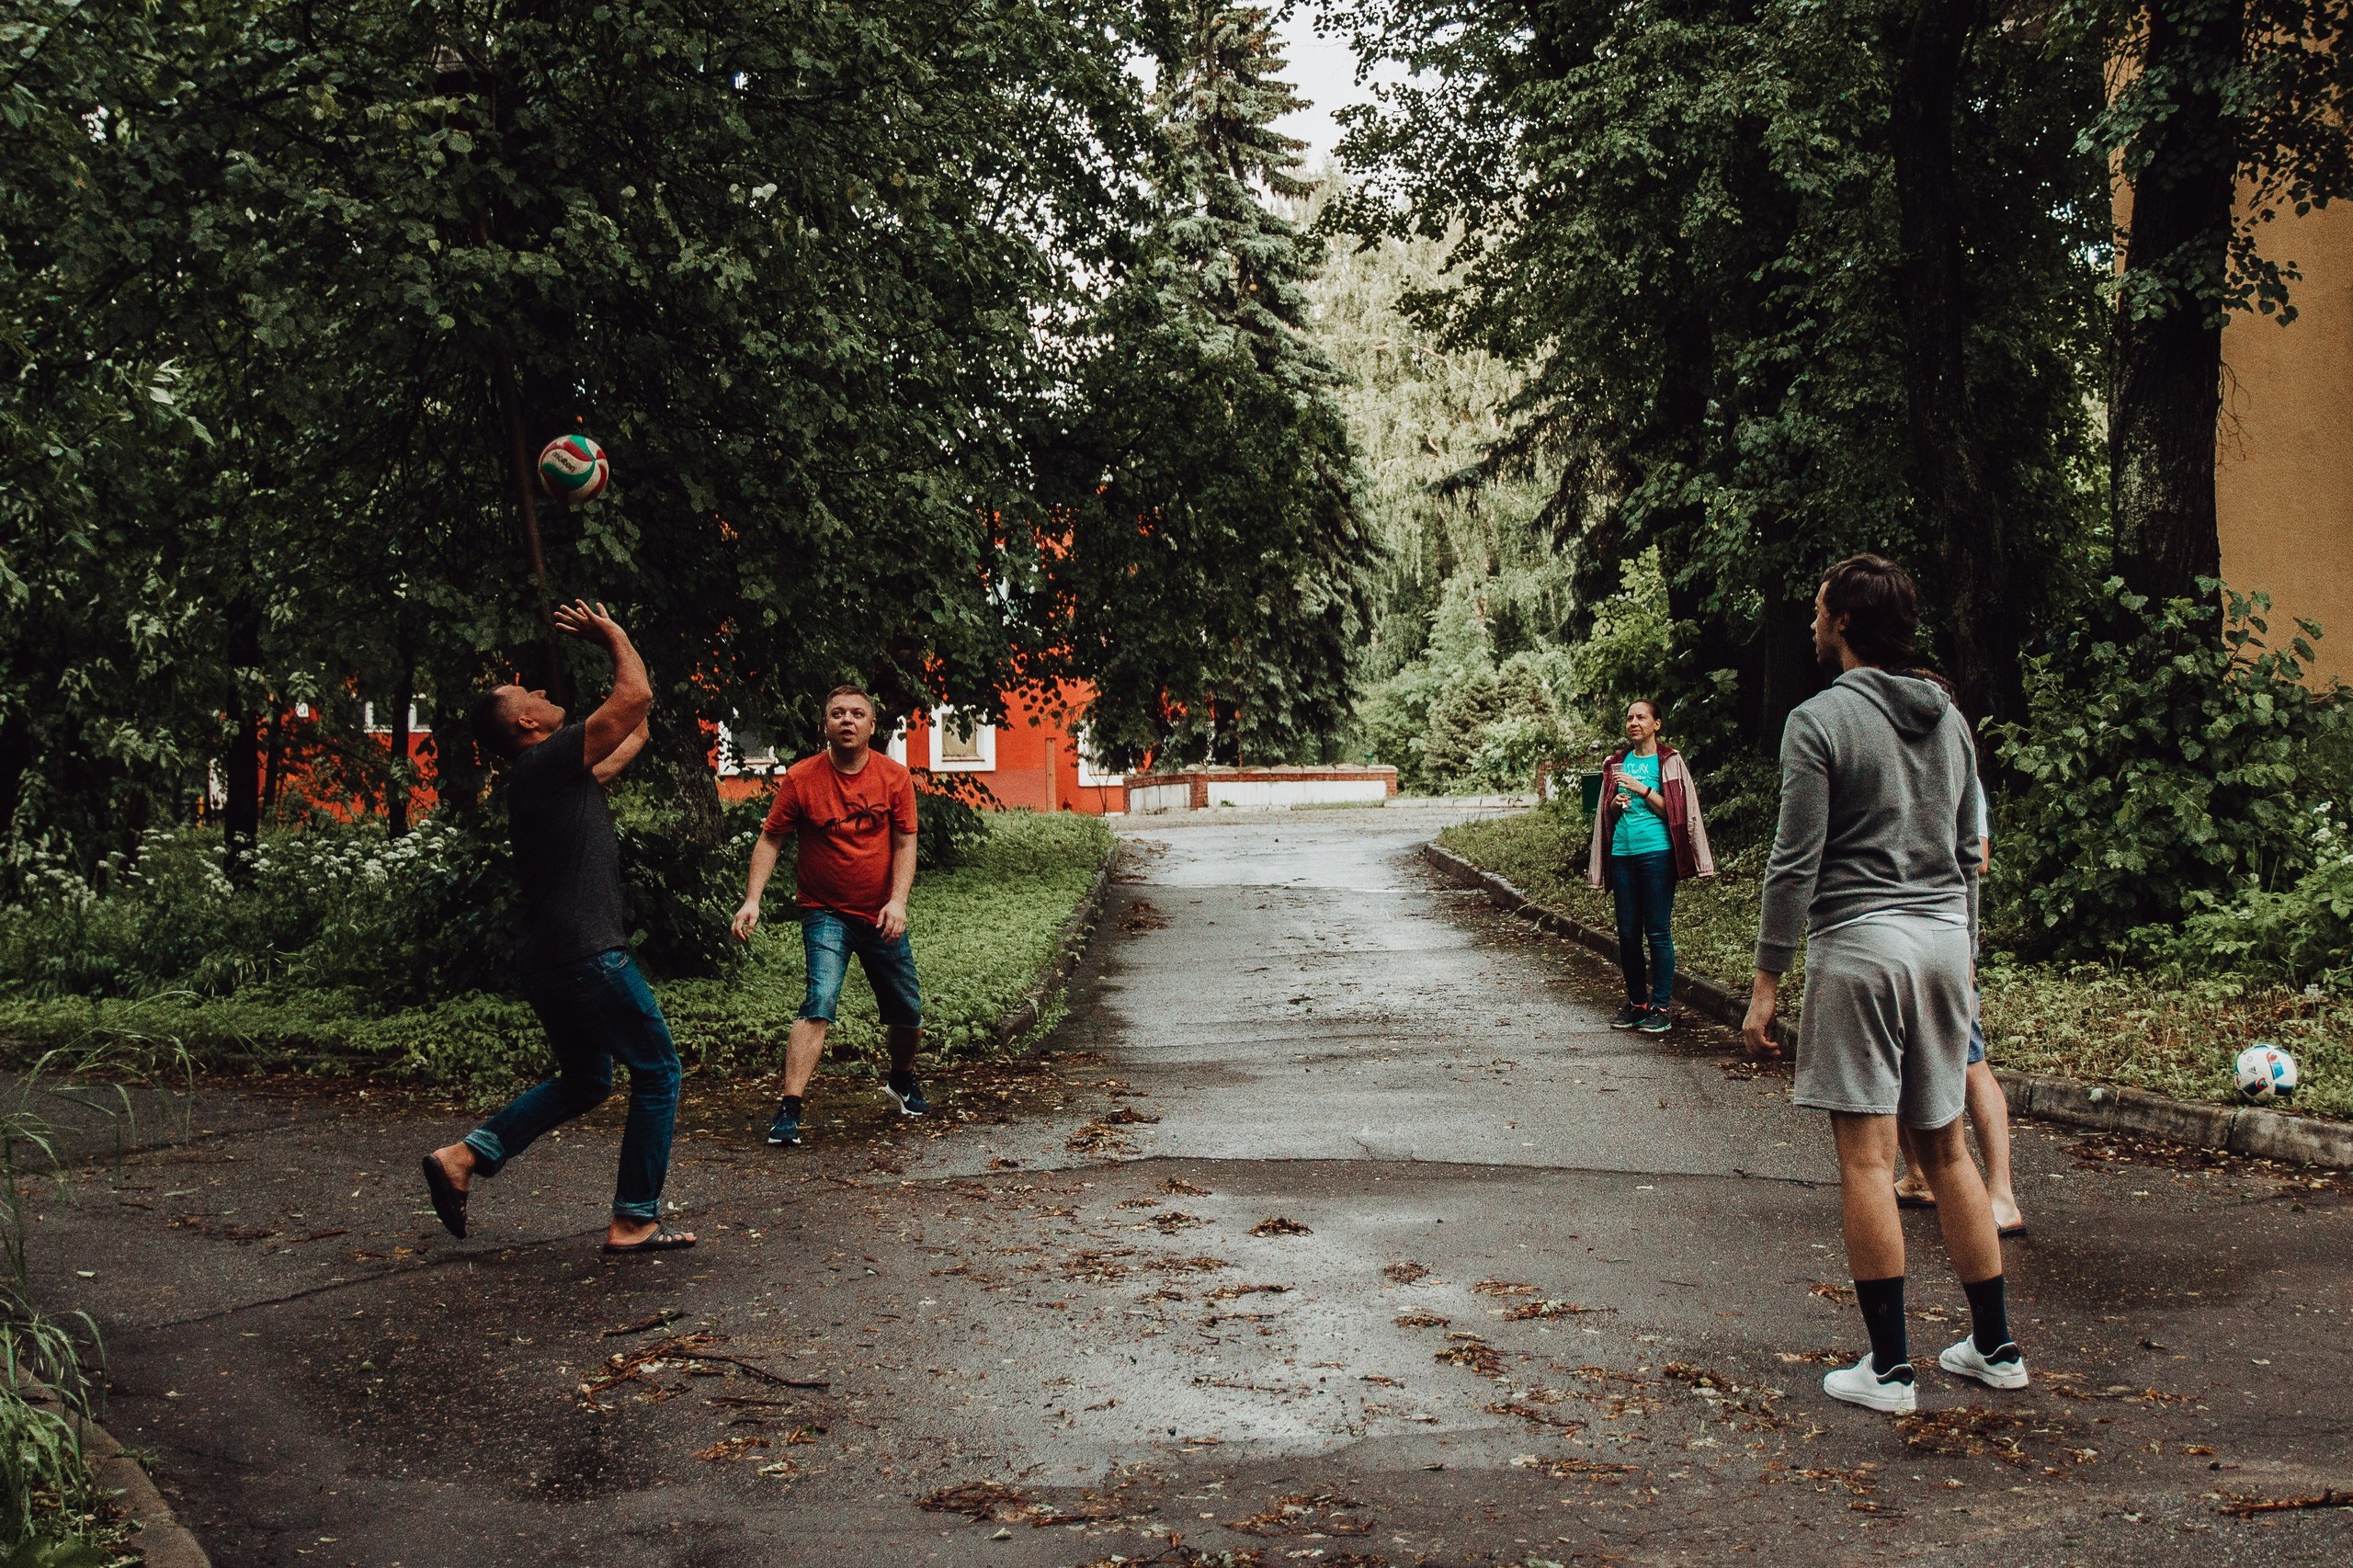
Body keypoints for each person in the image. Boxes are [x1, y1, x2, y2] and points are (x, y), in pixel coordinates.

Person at [1743, 554, 2024, 1414]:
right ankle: (1994, 1348)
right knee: (1945, 1150)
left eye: (1820, 608)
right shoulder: (1951, 721)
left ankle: (1891, 1370)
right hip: (1943, 946)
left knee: (1868, 1159)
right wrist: (1965, 950)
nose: (1812, 621)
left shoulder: (1818, 720)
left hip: (1861, 949)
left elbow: (1795, 863)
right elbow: (1970, 850)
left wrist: (1766, 980)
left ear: (1843, 625)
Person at [421, 600, 696, 1256]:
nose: (543, 692)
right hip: (588, 957)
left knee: (586, 1080)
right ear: (524, 723)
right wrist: (614, 637)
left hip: (552, 961)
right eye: (531, 694)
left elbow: (635, 729)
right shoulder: (543, 766)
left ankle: (465, 1155)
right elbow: (634, 697)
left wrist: (633, 684)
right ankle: (634, 1218)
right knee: (659, 1073)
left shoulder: (555, 776)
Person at [732, 685, 926, 1148]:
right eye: (837, 713)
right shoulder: (801, 778)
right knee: (819, 1000)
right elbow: (770, 839)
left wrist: (898, 901)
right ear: (825, 724)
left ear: (872, 726)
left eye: (857, 713)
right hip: (824, 912)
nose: (847, 720)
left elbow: (905, 842)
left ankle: (901, 1078)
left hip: (881, 912)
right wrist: (752, 899)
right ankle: (789, 1108)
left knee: (907, 1011)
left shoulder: (894, 778)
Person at [1894, 780, 2026, 1235]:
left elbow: (1979, 857)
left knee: (1971, 1065)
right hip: (1896, 941)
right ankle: (1917, 1176)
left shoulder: (1953, 764)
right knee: (1893, 1063)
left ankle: (2002, 1197)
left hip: (1941, 939)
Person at [1586, 699, 1715, 1034]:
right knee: (1627, 934)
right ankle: (1637, 1004)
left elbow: (1676, 811)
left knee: (1657, 931)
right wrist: (1615, 803)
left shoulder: (1668, 762)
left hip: (1657, 853)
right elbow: (1609, 816)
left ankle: (1660, 1007)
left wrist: (1642, 789)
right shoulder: (1616, 763)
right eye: (1629, 717)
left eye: (1641, 717)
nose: (1633, 723)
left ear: (1656, 724)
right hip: (1623, 854)